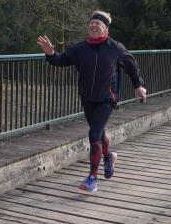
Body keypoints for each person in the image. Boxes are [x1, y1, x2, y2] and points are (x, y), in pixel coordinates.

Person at [37, 11, 147, 194]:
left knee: (94, 134)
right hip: (87, 98)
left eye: (98, 23)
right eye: (92, 23)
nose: (94, 25)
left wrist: (139, 85)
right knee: (99, 133)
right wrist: (51, 53)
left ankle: (92, 179)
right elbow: (61, 60)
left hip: (107, 98)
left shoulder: (115, 48)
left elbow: (131, 65)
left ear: (106, 28)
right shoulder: (81, 48)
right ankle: (109, 156)